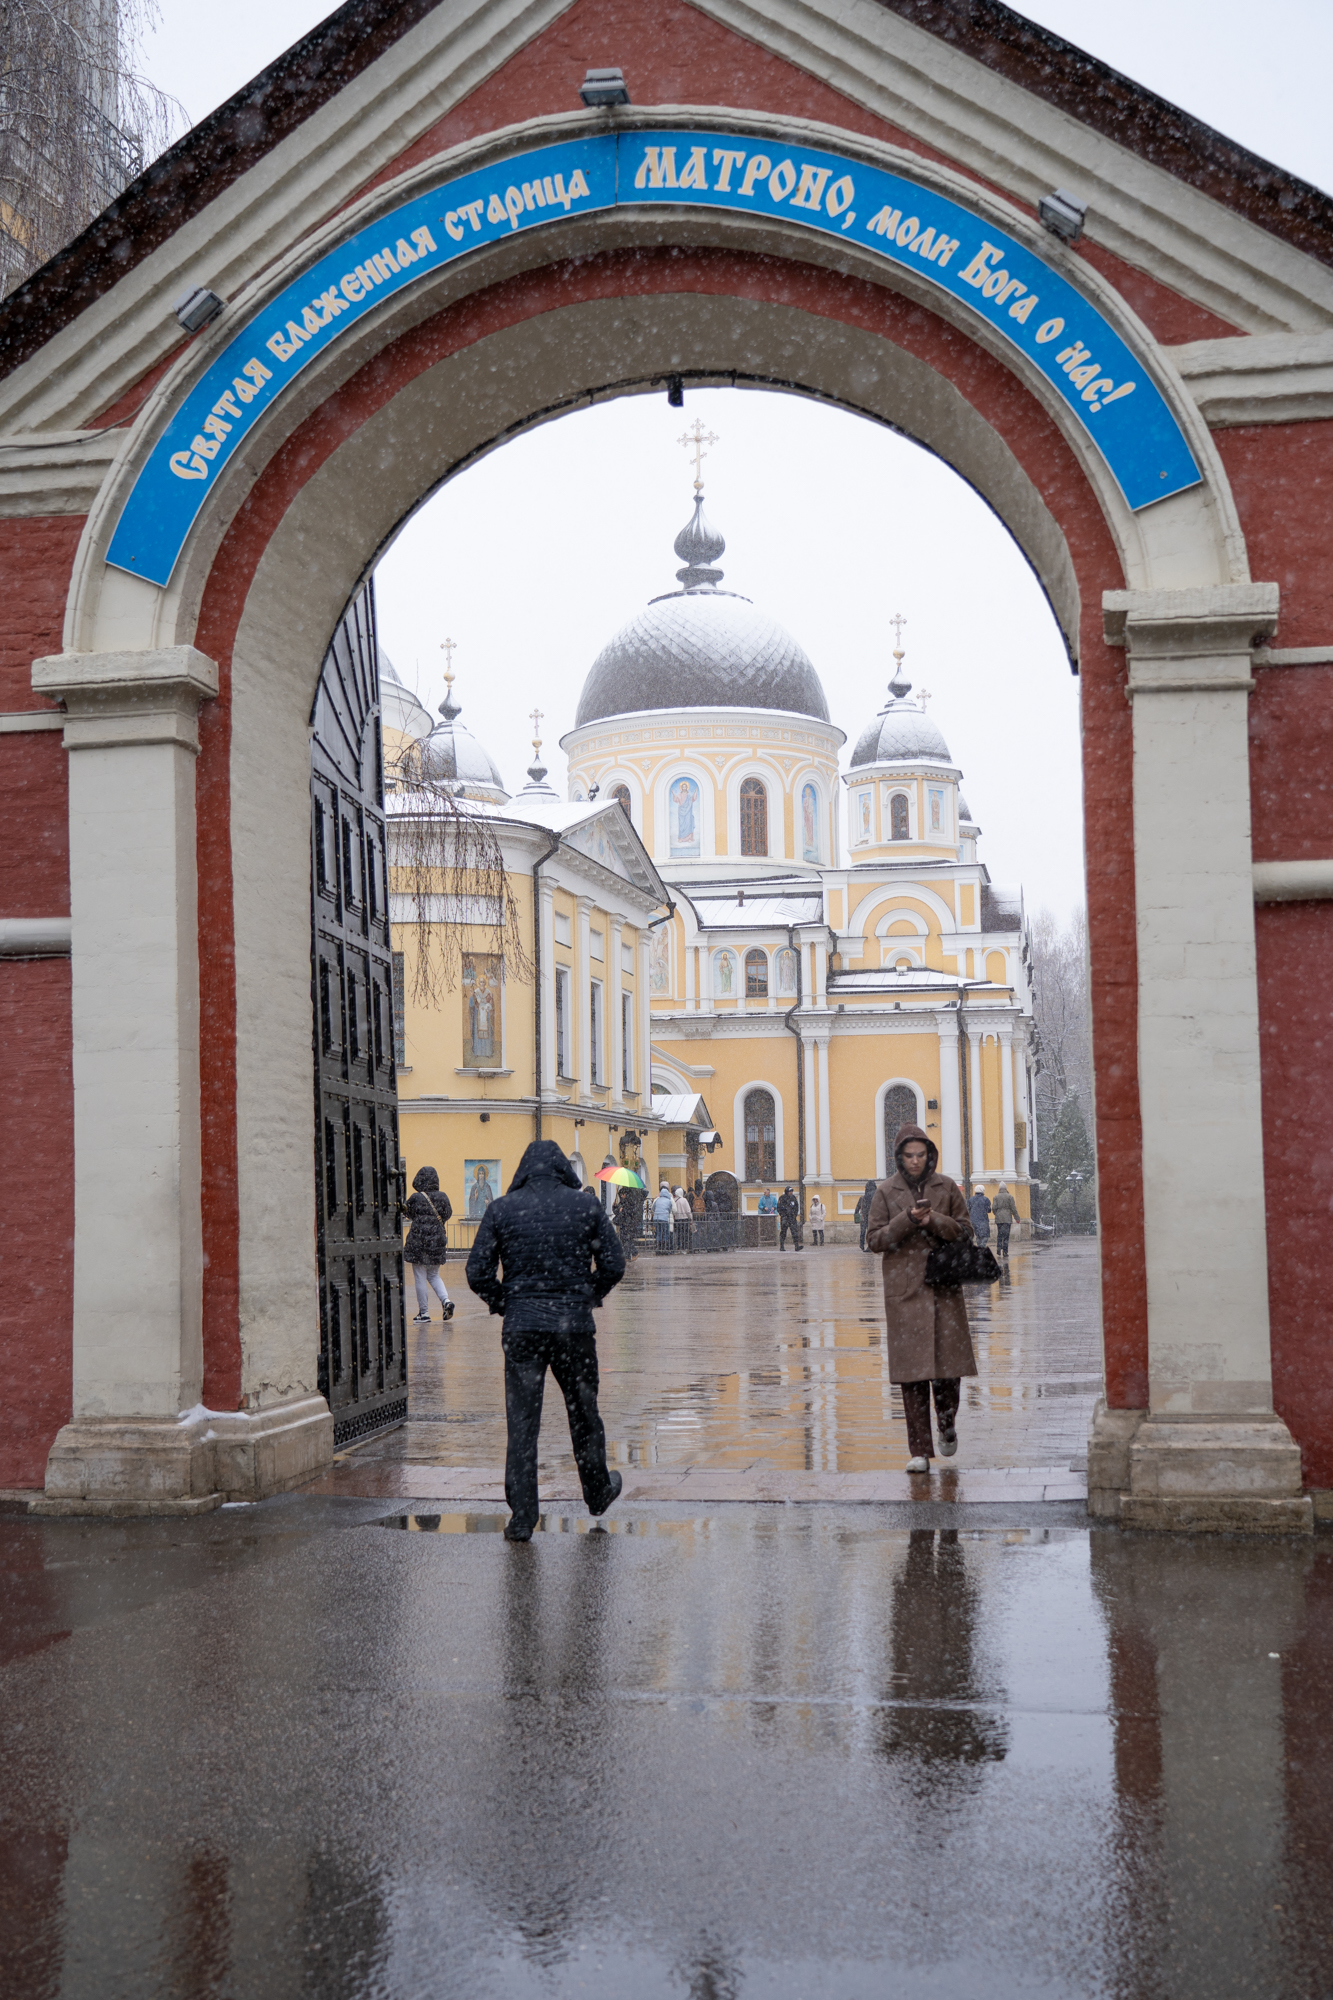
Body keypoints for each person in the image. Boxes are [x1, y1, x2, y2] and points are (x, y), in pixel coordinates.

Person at [465, 1139, 625, 1541]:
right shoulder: (586, 1206)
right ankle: (597, 1491)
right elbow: (614, 1264)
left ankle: (522, 1517)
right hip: (574, 1328)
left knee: (522, 1422)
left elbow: (477, 1271)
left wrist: (505, 1302)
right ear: (562, 1169)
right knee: (584, 1412)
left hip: (523, 1328)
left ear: (524, 1169)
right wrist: (589, 1295)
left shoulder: (502, 1209)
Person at [866, 1124, 977, 1474]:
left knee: (948, 1374)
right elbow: (875, 1240)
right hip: (905, 1294)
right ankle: (919, 1450)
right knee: (912, 1377)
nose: (915, 1161)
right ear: (899, 1158)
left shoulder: (947, 1188)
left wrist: (933, 1220)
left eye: (920, 1154)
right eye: (909, 1155)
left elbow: (966, 1232)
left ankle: (947, 1424)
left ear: (930, 1155)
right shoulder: (885, 1192)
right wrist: (907, 1221)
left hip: (943, 1290)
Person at [402, 1165, 454, 1322]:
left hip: (419, 1242)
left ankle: (424, 1313)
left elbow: (407, 1212)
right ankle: (446, 1301)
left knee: (420, 1276)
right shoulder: (443, 1196)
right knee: (433, 1275)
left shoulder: (416, 1197)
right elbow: (448, 1214)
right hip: (437, 1241)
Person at [991, 1181, 1019, 1260]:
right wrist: (1017, 1218)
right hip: (1007, 1218)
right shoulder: (1010, 1196)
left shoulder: (996, 1197)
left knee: (1000, 1234)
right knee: (1006, 1235)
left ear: (999, 1188)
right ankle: (1005, 1251)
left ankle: (998, 1248)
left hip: (999, 1218)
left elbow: (993, 1208)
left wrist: (997, 1213)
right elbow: (1013, 1208)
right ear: (1006, 1188)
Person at [777, 1185, 803, 1252]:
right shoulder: (782, 1198)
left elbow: (796, 1207)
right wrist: (783, 1215)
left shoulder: (793, 1198)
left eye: (792, 1191)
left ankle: (796, 1246)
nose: (791, 1193)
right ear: (786, 1192)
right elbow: (779, 1208)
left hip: (792, 1218)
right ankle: (782, 1246)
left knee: (794, 1232)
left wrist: (794, 1214)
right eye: (790, 1191)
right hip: (785, 1218)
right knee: (783, 1232)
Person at [854, 1178, 877, 1252]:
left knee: (864, 1231)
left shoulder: (863, 1197)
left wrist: (856, 1214)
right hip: (874, 1217)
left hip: (864, 1217)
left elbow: (857, 1208)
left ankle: (862, 1244)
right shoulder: (877, 1195)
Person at [652, 1182, 675, 1253]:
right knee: (665, 1233)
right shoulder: (669, 1200)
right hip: (664, 1219)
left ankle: (658, 1248)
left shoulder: (657, 1199)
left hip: (656, 1218)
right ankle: (664, 1248)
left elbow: (653, 1208)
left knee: (658, 1233)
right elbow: (671, 1209)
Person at [672, 1184, 693, 1252]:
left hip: (677, 1219)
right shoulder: (684, 1200)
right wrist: (691, 1218)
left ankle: (678, 1247)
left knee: (678, 1234)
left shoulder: (674, 1200)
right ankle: (684, 1247)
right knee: (685, 1234)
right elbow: (688, 1210)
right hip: (684, 1219)